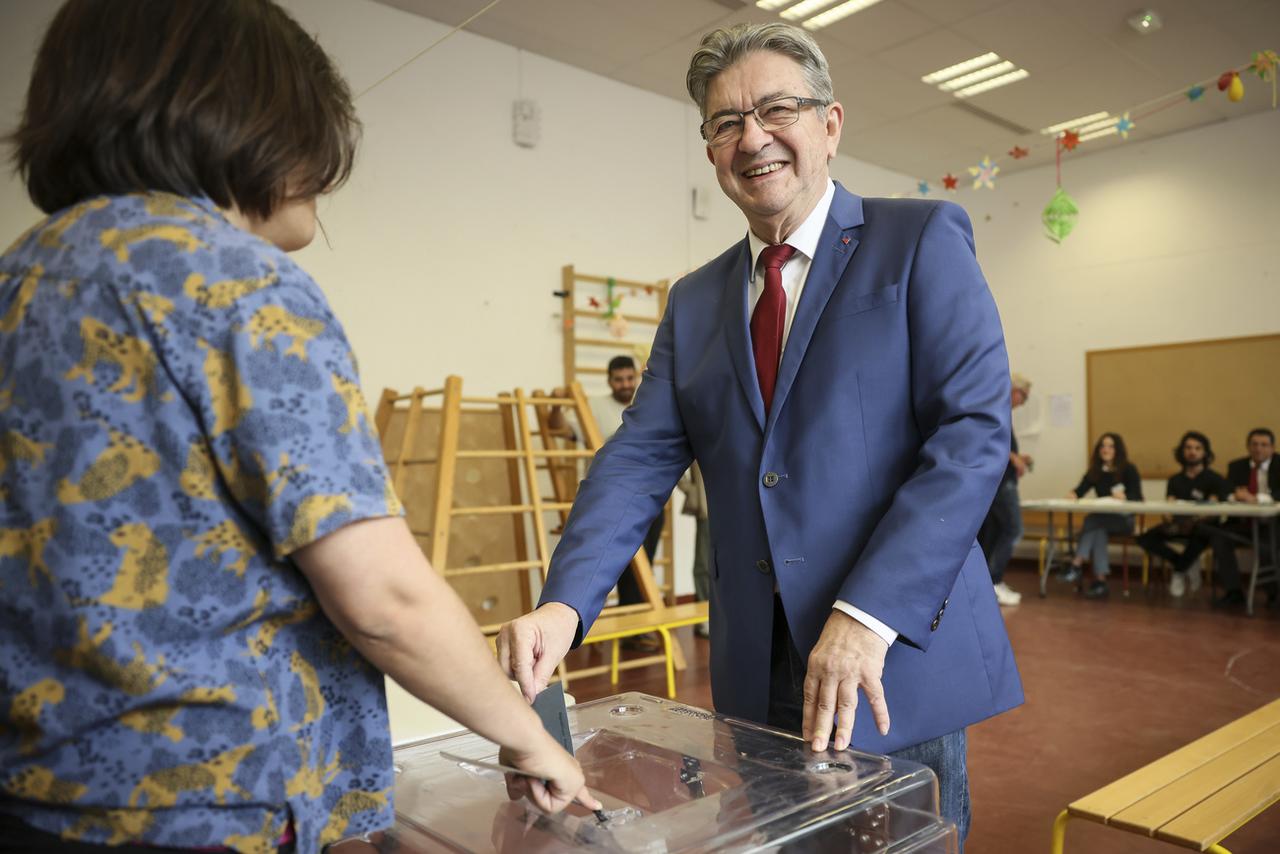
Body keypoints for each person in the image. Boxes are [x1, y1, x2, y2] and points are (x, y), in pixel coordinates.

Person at [0, 2, 596, 850]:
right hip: (202, 806)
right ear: (242, 117)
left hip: (35, 794)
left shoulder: (22, 274)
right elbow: (382, 599)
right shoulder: (233, 282)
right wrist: (528, 733)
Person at [498, 22, 1021, 845]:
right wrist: (564, 607)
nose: (753, 138)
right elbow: (637, 460)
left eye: (778, 109)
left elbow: (973, 435)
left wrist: (867, 613)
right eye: (725, 122)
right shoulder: (696, 300)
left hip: (890, 658)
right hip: (758, 667)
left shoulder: (917, 241)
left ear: (830, 124)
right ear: (710, 149)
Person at [548, 355, 664, 650]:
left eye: (629, 378)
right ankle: (593, 627)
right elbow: (561, 429)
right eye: (619, 379)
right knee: (606, 565)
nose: (625, 384)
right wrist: (556, 405)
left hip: (649, 499)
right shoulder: (595, 406)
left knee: (643, 568)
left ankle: (633, 630)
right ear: (609, 380)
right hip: (608, 499)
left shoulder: (649, 404)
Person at [1135, 431, 1229, 597]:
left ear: (1205, 452)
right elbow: (1170, 504)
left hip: (1203, 525)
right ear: (1182, 451)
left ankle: (1178, 572)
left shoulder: (1215, 478)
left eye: (1197, 448)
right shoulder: (1175, 479)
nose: (1192, 452)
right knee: (1144, 538)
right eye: (1188, 448)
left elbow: (1213, 508)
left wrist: (1192, 521)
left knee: (1202, 533)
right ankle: (1185, 562)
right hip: (1178, 524)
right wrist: (1169, 517)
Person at [1063, 433, 1143, 599]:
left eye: (1110, 446)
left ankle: (1076, 563)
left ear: (1118, 450)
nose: (1105, 449)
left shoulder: (1129, 469)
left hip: (1124, 520)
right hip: (1103, 522)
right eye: (1103, 446)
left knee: (1092, 520)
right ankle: (1100, 582)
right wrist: (1073, 494)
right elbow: (1080, 490)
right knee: (1097, 530)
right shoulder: (1095, 471)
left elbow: (1138, 498)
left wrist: (1126, 497)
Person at [977, 372, 1033, 606]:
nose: (1024, 402)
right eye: (1024, 396)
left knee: (994, 530)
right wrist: (1013, 457)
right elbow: (987, 438)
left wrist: (1018, 457)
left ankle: (988, 581)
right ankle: (994, 580)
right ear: (1015, 391)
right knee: (1013, 529)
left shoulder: (1002, 411)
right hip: (1000, 483)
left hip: (998, 480)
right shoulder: (995, 405)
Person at [1213, 428, 1279, 607]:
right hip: (1243, 524)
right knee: (1219, 536)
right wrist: (1236, 496)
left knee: (1267, 544)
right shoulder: (1236, 466)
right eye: (1254, 444)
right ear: (1248, 447)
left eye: (1264, 445)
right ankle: (1233, 591)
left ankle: (1274, 594)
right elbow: (1224, 492)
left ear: (1273, 448)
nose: (1258, 449)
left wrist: (1256, 498)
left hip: (1272, 525)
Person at [676, 462, 712, 637]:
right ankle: (703, 618)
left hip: (734, 510)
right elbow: (676, 464)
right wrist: (691, 491)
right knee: (704, 564)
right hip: (707, 510)